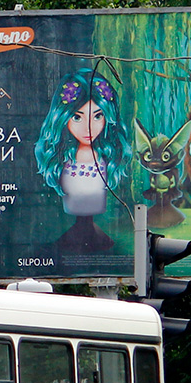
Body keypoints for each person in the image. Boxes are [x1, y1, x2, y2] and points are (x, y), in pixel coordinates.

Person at [33, 68, 131, 254]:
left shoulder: (108, 155)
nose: (89, 127)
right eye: (77, 117)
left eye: (98, 116)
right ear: (63, 117)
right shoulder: (60, 158)